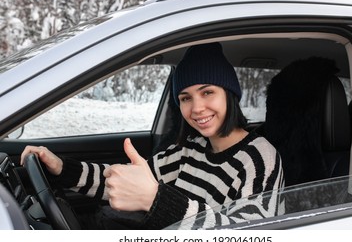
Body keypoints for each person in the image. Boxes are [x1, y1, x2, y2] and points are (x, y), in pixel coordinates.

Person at [21, 42, 284, 230]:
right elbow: (122, 182)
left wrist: (156, 200)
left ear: (230, 94)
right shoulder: (190, 149)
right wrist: (61, 168)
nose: (197, 108)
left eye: (207, 92)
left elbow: (252, 234)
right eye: (185, 98)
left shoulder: (260, 157)